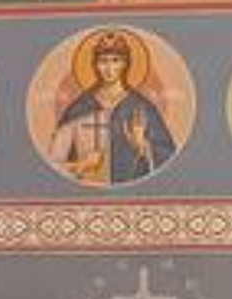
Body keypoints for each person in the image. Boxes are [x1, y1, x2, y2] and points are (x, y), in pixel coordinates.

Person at [46, 30, 175, 185]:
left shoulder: (142, 108)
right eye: (103, 61)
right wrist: (80, 165)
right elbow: (51, 165)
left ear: (126, 64)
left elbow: (169, 158)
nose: (109, 68)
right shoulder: (79, 108)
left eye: (115, 60)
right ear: (95, 64)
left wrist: (144, 146)